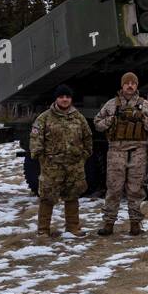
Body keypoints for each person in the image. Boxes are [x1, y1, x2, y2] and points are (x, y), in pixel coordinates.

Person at [93, 71, 148, 236]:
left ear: (136, 86)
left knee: (135, 189)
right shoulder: (111, 104)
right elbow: (97, 123)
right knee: (114, 189)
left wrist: (143, 119)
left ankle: (135, 224)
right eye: (127, 83)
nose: (130, 86)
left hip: (138, 151)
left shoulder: (145, 105)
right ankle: (108, 223)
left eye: (133, 83)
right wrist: (111, 120)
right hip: (116, 151)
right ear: (122, 85)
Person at [30, 84, 92, 237]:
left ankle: (73, 228)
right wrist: (42, 159)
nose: (65, 99)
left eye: (67, 97)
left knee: (72, 196)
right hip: (52, 166)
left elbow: (87, 137)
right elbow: (36, 140)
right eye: (61, 97)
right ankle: (43, 230)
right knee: (47, 197)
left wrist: (84, 155)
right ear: (56, 99)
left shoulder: (78, 117)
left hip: (74, 165)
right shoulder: (44, 118)